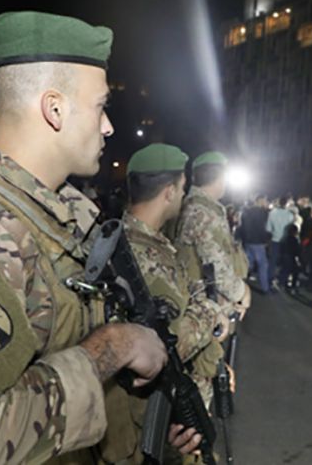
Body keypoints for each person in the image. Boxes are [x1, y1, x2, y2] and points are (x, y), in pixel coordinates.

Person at [0, 11, 200, 464]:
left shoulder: (63, 216)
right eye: (100, 106)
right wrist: (116, 345)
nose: (108, 126)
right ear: (54, 109)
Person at [111, 144, 228, 462]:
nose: (184, 195)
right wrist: (211, 312)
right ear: (169, 191)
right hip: (155, 415)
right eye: (182, 187)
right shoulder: (144, 256)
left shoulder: (137, 241)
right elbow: (167, 345)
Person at [175, 151, 251, 321]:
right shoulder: (203, 212)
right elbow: (217, 268)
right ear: (221, 177)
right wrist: (242, 292)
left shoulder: (196, 205)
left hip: (206, 305)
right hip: (207, 309)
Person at [237, 195, 271, 293]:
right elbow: (264, 228)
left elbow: (241, 226)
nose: (266, 203)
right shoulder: (262, 213)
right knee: (262, 264)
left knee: (248, 264)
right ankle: (265, 288)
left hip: (247, 241)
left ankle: (240, 284)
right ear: (261, 201)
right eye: (265, 201)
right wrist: (265, 240)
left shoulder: (246, 211)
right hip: (258, 242)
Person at [266, 195, 296, 290]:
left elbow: (268, 228)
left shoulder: (272, 213)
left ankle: (270, 280)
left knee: (272, 262)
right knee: (285, 263)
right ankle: (282, 281)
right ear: (287, 204)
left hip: (275, 240)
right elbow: (292, 229)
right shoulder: (290, 215)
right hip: (286, 241)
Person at [279, 223, 303, 294]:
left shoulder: (284, 239)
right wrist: (300, 259)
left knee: (285, 271)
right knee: (295, 272)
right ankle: (293, 286)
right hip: (291, 257)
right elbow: (297, 251)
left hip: (285, 257)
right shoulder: (294, 240)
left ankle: (282, 284)